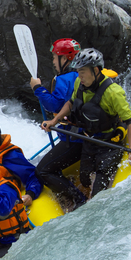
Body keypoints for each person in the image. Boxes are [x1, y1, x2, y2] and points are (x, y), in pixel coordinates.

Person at [42, 48, 131, 198]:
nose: (79, 75)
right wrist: (54, 120)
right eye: (78, 70)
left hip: (109, 144)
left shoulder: (113, 92)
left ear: (96, 70)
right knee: (85, 179)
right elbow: (71, 103)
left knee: (99, 189)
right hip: (90, 141)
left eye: (83, 71)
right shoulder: (79, 82)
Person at [31, 39, 88, 210]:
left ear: (66, 59)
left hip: (76, 138)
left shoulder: (66, 78)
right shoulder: (83, 74)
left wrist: (37, 89)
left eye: (55, 58)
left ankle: (79, 200)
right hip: (85, 133)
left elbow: (55, 105)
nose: (53, 62)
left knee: (43, 170)